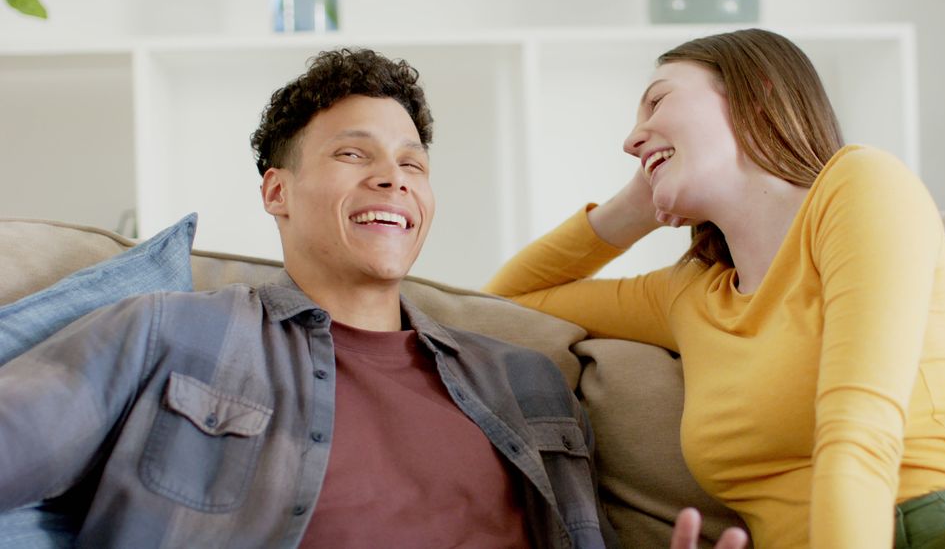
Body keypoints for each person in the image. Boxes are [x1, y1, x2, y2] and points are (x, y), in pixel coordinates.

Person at [0, 48, 618, 548]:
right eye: (353, 154)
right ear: (277, 192)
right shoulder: (169, 332)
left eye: (414, 164)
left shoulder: (527, 382)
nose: (393, 177)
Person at [485, 28, 945, 548]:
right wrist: (632, 207)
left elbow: (858, 435)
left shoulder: (860, 185)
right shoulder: (689, 295)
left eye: (658, 101)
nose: (632, 139)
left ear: (755, 95)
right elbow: (504, 303)